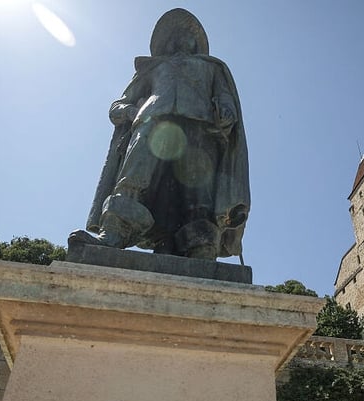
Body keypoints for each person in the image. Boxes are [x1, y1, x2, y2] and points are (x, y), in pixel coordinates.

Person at [69, 8, 249, 261]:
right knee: (133, 177)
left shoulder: (212, 68)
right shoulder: (152, 68)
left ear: (195, 41)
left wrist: (227, 112)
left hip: (199, 126)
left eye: (186, 34)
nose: (180, 38)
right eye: (174, 35)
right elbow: (117, 106)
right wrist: (132, 111)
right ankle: (113, 232)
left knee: (198, 190)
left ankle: (201, 247)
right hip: (152, 122)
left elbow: (225, 97)